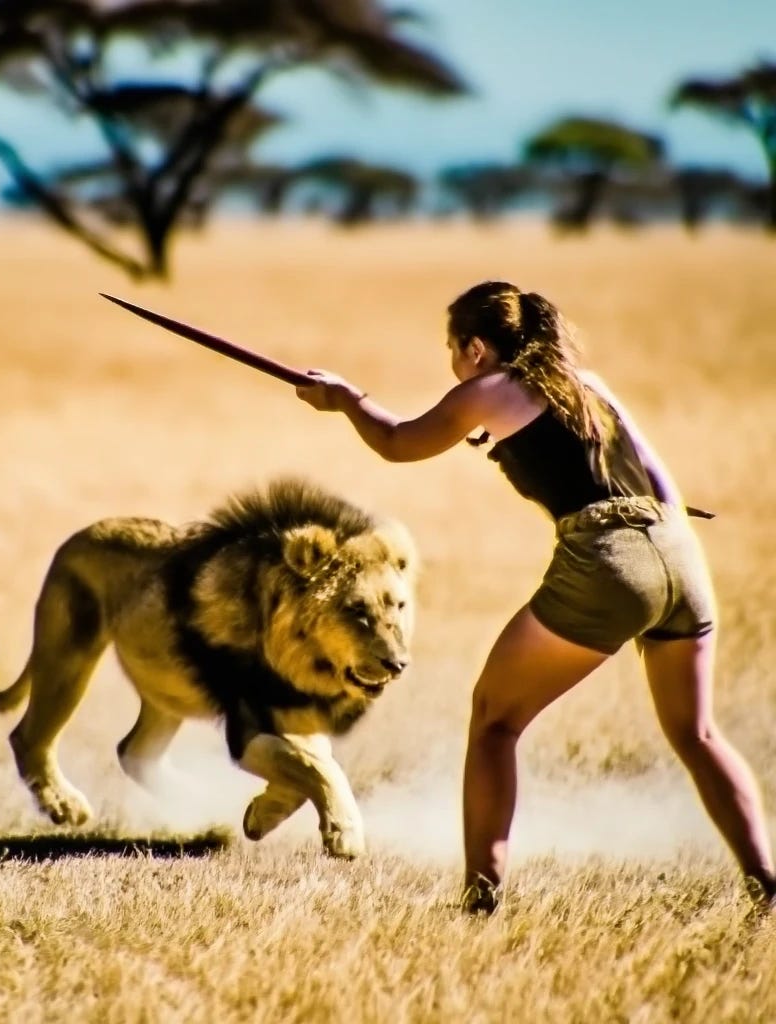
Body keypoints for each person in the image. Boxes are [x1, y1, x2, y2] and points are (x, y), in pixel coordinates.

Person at [294, 280, 775, 914]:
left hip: (608, 560)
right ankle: (766, 882)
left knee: (494, 721)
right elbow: (664, 484)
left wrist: (346, 401)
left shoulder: (490, 388)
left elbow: (398, 442)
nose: (454, 363)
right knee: (698, 732)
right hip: (681, 555)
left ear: (474, 347)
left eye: (452, 350)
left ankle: (480, 898)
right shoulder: (589, 384)